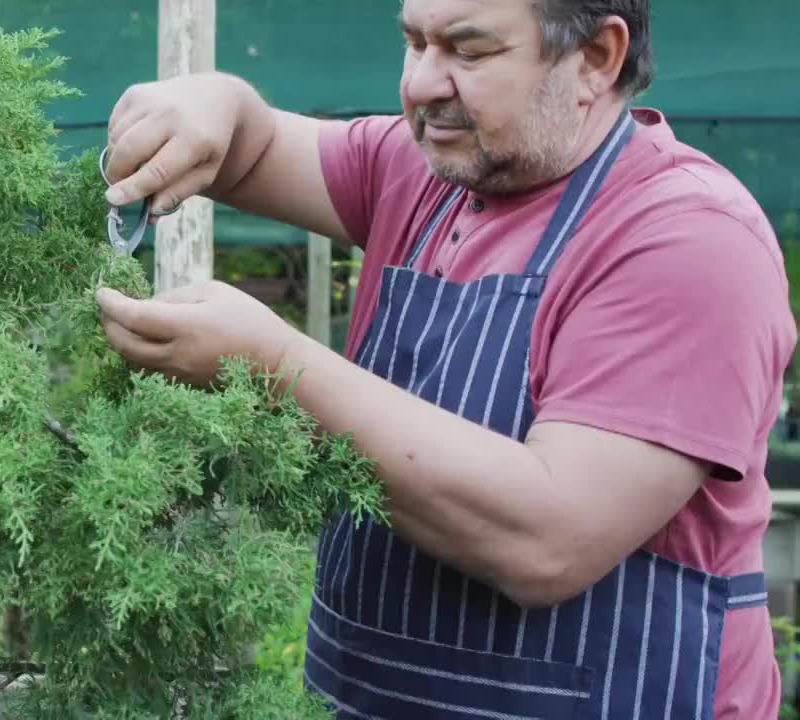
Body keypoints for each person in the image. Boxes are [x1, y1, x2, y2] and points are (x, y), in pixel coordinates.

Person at [94, 0, 796, 717]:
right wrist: (213, 101)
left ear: (595, 57)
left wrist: (277, 367)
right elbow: (255, 145)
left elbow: (548, 539)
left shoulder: (689, 241)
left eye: (469, 51)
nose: (423, 83)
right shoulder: (425, 173)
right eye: (414, 43)